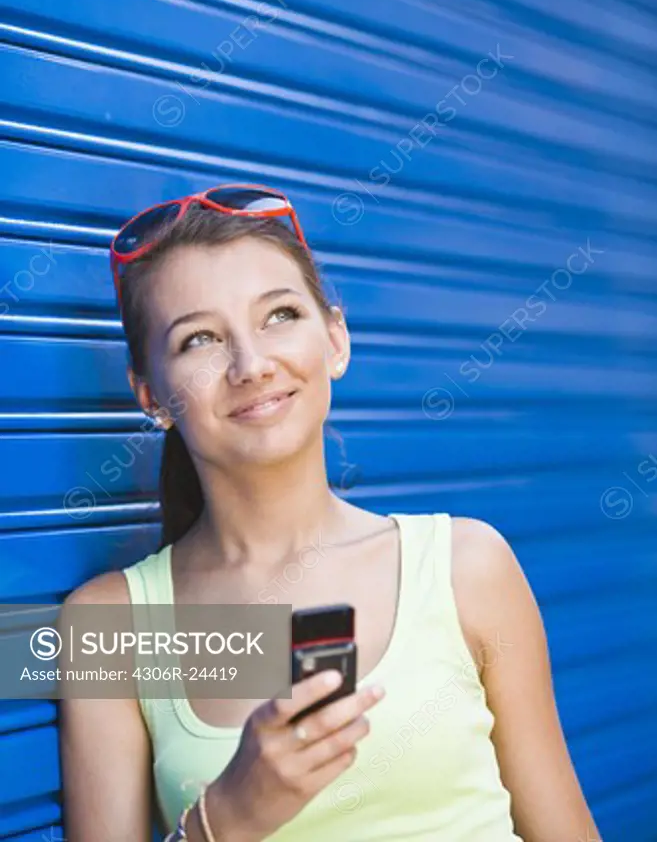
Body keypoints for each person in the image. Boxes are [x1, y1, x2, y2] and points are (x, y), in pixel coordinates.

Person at [59, 184, 601, 841]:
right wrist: (226, 817)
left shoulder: (466, 567)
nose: (252, 365)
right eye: (199, 338)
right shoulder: (107, 625)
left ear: (336, 340)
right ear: (151, 395)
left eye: (279, 315)